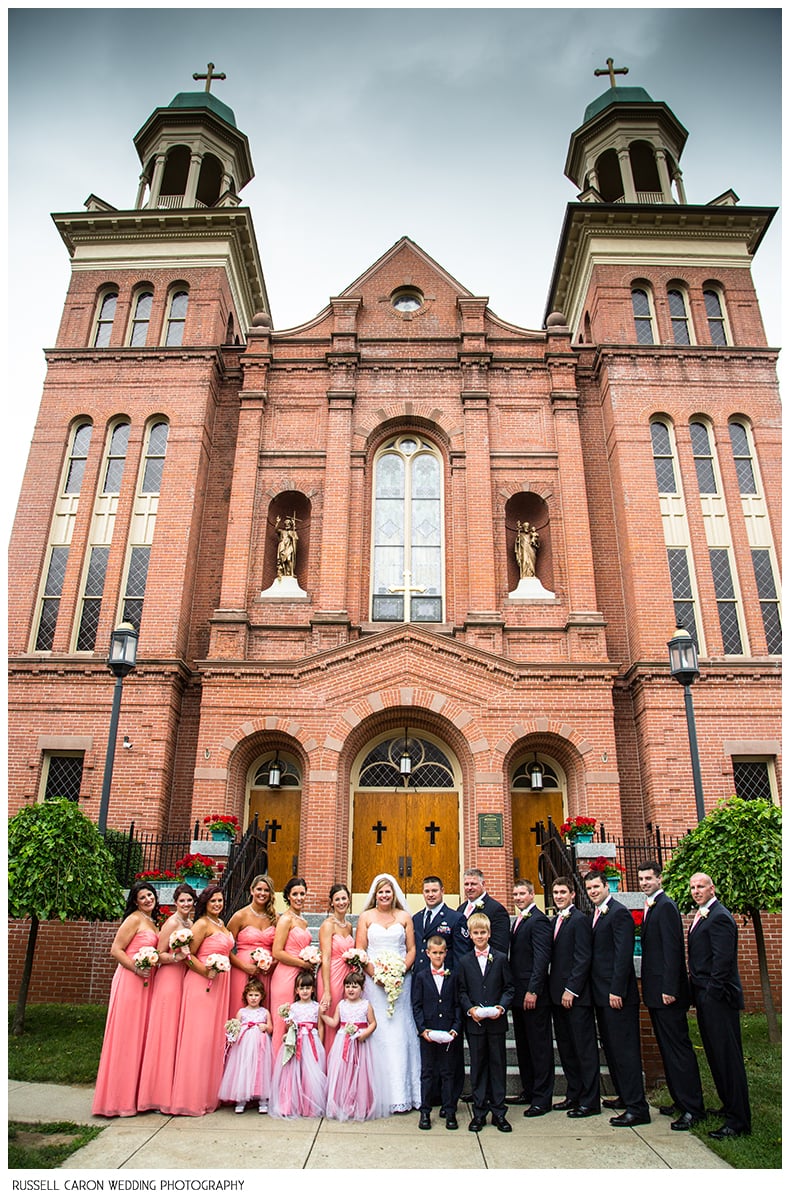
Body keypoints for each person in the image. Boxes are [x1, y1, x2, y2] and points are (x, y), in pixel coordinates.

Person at [637, 860, 705, 1130]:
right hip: (656, 993)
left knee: (678, 1050)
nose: (644, 883)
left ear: (659, 879)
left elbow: (672, 951)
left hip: (667, 994)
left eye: (649, 879)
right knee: (667, 1048)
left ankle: (693, 1108)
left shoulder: (665, 906)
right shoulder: (652, 905)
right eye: (641, 879)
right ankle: (679, 1100)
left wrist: (669, 988)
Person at [687, 871, 751, 1139]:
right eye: (692, 887)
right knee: (715, 1055)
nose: (696, 890)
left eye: (701, 886)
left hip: (718, 999)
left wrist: (711, 996)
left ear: (712, 889)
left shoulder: (720, 917)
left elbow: (722, 964)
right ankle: (728, 1106)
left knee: (728, 1058)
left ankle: (738, 1121)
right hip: (705, 997)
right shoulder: (703, 914)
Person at [585, 869, 650, 1127]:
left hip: (616, 996)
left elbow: (623, 956)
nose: (592, 892)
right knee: (612, 1049)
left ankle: (638, 1107)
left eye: (596, 887)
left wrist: (616, 990)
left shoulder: (619, 913)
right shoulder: (598, 914)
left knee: (625, 1051)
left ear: (606, 887)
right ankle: (624, 1096)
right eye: (589, 888)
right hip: (601, 995)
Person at [92, 882, 161, 1117]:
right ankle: (116, 1100)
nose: (148, 899)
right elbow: (116, 949)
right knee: (126, 1036)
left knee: (139, 1037)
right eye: (143, 897)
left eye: (150, 895)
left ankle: (134, 1095)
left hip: (146, 983)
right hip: (131, 982)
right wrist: (135, 968)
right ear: (135, 901)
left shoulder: (152, 921)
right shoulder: (133, 919)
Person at [355, 873, 422, 1113]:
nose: (385, 895)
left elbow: (412, 948)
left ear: (394, 894)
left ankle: (403, 1093)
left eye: (389, 891)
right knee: (378, 1030)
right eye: (381, 892)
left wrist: (399, 972)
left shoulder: (404, 917)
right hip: (374, 983)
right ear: (375, 894)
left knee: (399, 1031)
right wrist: (377, 976)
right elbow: (360, 950)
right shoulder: (366, 917)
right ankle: (374, 1092)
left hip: (400, 982)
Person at [168, 884, 234, 1116]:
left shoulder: (221, 925)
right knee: (198, 1038)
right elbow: (187, 955)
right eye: (213, 901)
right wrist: (206, 971)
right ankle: (190, 1097)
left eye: (220, 900)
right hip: (201, 984)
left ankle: (208, 1094)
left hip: (219, 985)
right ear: (205, 903)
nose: (218, 904)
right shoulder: (202, 924)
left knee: (212, 1039)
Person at [137, 882, 197, 1113]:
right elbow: (158, 954)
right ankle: (154, 1093)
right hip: (169, 979)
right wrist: (176, 959)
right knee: (164, 1032)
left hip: (182, 977)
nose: (186, 904)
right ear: (175, 903)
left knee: (175, 1033)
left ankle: (172, 1088)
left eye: (189, 900)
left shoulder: (189, 923)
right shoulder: (171, 923)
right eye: (181, 900)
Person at [457, 912, 515, 1133]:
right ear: (470, 935)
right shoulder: (464, 961)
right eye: (476, 933)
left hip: (496, 1024)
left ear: (489, 934)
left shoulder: (500, 958)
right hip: (476, 1024)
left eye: (483, 932)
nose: (480, 936)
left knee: (498, 1066)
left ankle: (499, 1111)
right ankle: (480, 1111)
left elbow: (509, 988)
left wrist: (501, 1007)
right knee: (478, 1066)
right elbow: (461, 991)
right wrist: (470, 1009)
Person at [548, 876, 600, 1118]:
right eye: (555, 892)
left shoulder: (579, 920)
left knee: (584, 1049)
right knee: (567, 1048)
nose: (558, 896)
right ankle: (574, 1093)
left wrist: (572, 989)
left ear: (573, 895)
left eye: (562, 892)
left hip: (575, 997)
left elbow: (582, 958)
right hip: (557, 996)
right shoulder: (556, 920)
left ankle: (590, 1101)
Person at [509, 878, 554, 1116]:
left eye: (522, 894)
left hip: (532, 995)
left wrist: (533, 990)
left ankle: (542, 1098)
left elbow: (541, 959)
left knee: (539, 1047)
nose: (518, 898)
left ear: (532, 894)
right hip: (518, 995)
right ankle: (528, 1090)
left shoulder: (538, 921)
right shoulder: (519, 920)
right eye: (515, 894)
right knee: (524, 1046)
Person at [411, 933, 463, 1130]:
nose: (438, 956)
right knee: (427, 1072)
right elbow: (416, 1005)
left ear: (446, 953)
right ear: (428, 953)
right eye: (434, 953)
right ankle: (425, 1112)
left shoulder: (453, 975)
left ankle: (450, 1111)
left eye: (441, 953)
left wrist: (456, 1028)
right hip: (429, 1032)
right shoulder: (422, 976)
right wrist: (422, 1029)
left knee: (448, 1072)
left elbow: (458, 1004)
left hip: (448, 1031)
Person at [323, 969, 385, 1122]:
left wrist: (365, 1033)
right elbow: (334, 1023)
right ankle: (344, 1105)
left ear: (362, 989)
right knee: (344, 1073)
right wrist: (322, 1015)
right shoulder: (341, 1005)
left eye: (355, 986)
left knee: (361, 1074)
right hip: (343, 1042)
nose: (351, 989)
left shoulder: (365, 1005)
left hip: (361, 1044)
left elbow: (373, 1023)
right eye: (348, 986)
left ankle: (361, 1105)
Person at [269, 970, 327, 1118]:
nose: (305, 991)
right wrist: (288, 1026)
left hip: (311, 1041)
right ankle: (289, 1105)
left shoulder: (316, 1007)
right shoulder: (293, 1007)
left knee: (310, 1074)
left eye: (307, 988)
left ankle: (309, 1107)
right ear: (296, 990)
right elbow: (289, 1028)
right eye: (301, 988)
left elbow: (320, 1026)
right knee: (293, 1073)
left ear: (313, 989)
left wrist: (320, 1043)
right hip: (296, 1041)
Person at [269, 876, 313, 1056]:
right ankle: (278, 1074)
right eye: (295, 894)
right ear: (288, 896)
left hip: (301, 976)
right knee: (283, 1024)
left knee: (298, 1023)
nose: (299, 897)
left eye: (302, 894)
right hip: (285, 977)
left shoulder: (303, 921)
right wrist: (303, 963)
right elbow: (277, 952)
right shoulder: (285, 919)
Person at [218, 976, 273, 1114]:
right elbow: (235, 1029)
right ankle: (241, 1098)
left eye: (256, 995)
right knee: (244, 1068)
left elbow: (271, 1029)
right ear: (246, 996)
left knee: (260, 1069)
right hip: (244, 1046)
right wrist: (232, 1036)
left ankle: (262, 1099)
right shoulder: (241, 1012)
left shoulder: (264, 1012)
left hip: (260, 1045)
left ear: (262, 996)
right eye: (251, 995)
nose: (253, 998)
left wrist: (265, 1026)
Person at [227, 874, 278, 1019]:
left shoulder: (275, 918)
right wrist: (244, 966)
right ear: (251, 890)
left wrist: (273, 963)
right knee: (240, 1006)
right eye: (259, 889)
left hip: (266, 972)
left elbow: (280, 946)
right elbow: (226, 948)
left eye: (266, 890)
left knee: (263, 1010)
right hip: (242, 969)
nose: (262, 893)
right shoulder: (240, 916)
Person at [317, 883, 355, 1054]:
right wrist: (326, 990)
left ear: (349, 900)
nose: (341, 902)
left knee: (344, 1018)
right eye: (337, 899)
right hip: (330, 976)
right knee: (330, 1019)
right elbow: (325, 957)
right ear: (331, 903)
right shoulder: (327, 925)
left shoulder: (348, 926)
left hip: (347, 976)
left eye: (343, 898)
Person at [412, 875, 464, 973]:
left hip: (444, 977)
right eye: (427, 891)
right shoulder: (416, 918)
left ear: (442, 891)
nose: (430, 895)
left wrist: (456, 981)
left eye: (434, 891)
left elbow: (460, 955)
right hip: (419, 979)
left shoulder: (455, 918)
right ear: (422, 893)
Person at [456, 868, 511, 955]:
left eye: (473, 884)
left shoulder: (496, 910)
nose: (469, 888)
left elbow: (500, 947)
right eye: (466, 884)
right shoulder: (461, 909)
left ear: (483, 884)